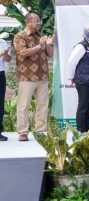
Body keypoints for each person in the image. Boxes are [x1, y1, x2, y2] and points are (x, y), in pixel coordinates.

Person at [13, 12, 54, 141]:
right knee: (23, 105)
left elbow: (50, 54)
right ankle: (23, 132)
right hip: (27, 77)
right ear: (28, 22)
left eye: (39, 20)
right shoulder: (20, 36)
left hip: (42, 76)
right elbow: (22, 52)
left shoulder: (41, 36)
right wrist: (39, 46)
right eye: (36, 20)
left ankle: (40, 130)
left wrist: (47, 44)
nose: (39, 23)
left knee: (42, 104)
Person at [68, 27, 89, 133]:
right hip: (83, 81)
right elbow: (71, 62)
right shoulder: (81, 46)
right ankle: (80, 132)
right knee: (83, 106)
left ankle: (87, 130)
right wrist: (71, 77)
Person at [0, 36, 11, 141]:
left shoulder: (2, 42)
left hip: (1, 74)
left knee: (0, 104)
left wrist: (5, 54)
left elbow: (8, 59)